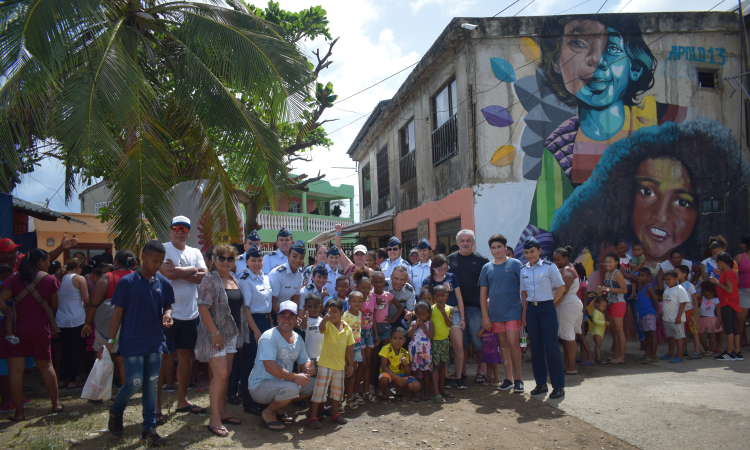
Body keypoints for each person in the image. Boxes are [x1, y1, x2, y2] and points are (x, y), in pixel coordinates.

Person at [106, 241, 174, 446]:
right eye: (154, 261)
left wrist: (168, 315)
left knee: (152, 385)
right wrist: (110, 340)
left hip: (155, 342)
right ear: (142, 256)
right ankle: (116, 409)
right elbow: (117, 312)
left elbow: (168, 306)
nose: (157, 265)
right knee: (134, 383)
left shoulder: (163, 282)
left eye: (161, 262)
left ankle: (148, 429)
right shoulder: (127, 282)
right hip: (132, 341)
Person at [0, 249, 64, 420]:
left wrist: (10, 312)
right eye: (47, 261)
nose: (48, 264)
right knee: (46, 366)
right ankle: (56, 404)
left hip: (15, 330)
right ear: (40, 262)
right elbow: (53, 305)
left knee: (15, 371)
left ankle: (19, 413)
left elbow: (2, 300)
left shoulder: (13, 278)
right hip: (39, 329)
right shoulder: (50, 280)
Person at [195, 244, 250, 437]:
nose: (226, 261)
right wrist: (215, 333)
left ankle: (222, 411)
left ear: (234, 261)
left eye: (230, 258)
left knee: (225, 376)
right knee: (220, 375)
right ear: (214, 260)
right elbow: (203, 308)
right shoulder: (210, 280)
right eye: (221, 258)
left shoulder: (233, 279)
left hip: (231, 336)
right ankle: (214, 419)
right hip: (214, 336)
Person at [156, 216, 207, 418]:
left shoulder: (195, 252)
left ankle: (182, 401)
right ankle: (156, 405)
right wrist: (192, 270)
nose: (180, 231)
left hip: (190, 314)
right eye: (176, 227)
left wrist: (178, 271)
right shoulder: (163, 249)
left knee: (186, 357)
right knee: (161, 358)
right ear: (170, 230)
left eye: (184, 228)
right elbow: (165, 273)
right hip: (166, 313)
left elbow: (204, 275)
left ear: (189, 232)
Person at [248, 301, 315, 432]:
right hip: (260, 385)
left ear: (297, 320)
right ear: (277, 318)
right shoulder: (268, 337)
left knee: (313, 385)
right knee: (292, 387)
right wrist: (295, 377)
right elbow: (270, 367)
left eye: (291, 316)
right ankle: (268, 413)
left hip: (283, 383)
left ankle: (279, 407)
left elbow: (304, 360)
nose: (286, 319)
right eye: (282, 315)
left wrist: (308, 368)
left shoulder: (298, 338)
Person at [520, 237, 566, 399]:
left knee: (552, 348)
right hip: (532, 311)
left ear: (540, 251)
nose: (529, 255)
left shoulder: (549, 267)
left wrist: (551, 304)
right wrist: (524, 315)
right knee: (536, 349)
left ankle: (559, 386)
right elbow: (524, 294)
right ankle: (541, 384)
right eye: (526, 252)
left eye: (532, 251)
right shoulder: (523, 270)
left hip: (547, 308)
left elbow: (561, 287)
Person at [479, 234, 524, 393]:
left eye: (499, 247)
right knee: (503, 346)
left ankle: (519, 379)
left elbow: (523, 290)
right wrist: (485, 315)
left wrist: (524, 313)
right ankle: (509, 379)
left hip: (513, 311)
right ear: (490, 250)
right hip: (495, 313)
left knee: (513, 343)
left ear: (505, 247)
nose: (496, 250)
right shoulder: (487, 268)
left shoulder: (516, 264)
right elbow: (483, 294)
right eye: (493, 247)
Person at [447, 230, 490, 386]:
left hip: (476, 307)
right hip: (456, 310)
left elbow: (488, 284)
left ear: (473, 242)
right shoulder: (449, 260)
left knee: (478, 343)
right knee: (461, 344)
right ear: (458, 242)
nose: (465, 243)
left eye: (468, 240)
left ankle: (481, 371)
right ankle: (462, 371)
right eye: (462, 240)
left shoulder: (482, 261)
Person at [236, 244, 273, 415]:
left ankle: (261, 397)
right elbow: (245, 309)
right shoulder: (245, 279)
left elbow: (268, 305)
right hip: (253, 324)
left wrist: (271, 326)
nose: (257, 264)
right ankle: (248, 401)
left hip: (266, 322)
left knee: (264, 363)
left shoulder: (264, 277)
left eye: (259, 260)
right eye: (253, 260)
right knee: (250, 363)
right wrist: (256, 331)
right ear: (247, 262)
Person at [308, 297, 353, 429]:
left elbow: (350, 347)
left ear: (342, 312)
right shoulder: (326, 324)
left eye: (334, 311)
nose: (331, 314)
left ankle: (334, 414)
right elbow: (321, 328)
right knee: (319, 392)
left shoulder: (347, 329)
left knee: (337, 393)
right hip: (325, 365)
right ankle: (312, 416)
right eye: (328, 311)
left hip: (339, 366)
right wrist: (325, 318)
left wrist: (350, 364)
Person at [423, 254, 466, 389]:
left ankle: (458, 377)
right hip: (435, 315)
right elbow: (425, 301)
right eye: (440, 268)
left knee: (458, 346)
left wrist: (463, 318)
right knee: (442, 348)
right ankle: (445, 377)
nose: (443, 271)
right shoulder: (427, 281)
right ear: (433, 268)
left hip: (454, 312)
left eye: (445, 268)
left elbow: (459, 298)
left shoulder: (452, 277)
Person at [54, 258, 89, 389]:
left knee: (65, 350)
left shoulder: (58, 278)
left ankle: (62, 379)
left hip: (61, 319)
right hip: (77, 318)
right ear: (78, 268)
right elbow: (86, 300)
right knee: (76, 350)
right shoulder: (79, 279)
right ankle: (72, 380)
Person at [552, 246, 583, 375]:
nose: (556, 262)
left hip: (567, 305)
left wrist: (552, 307)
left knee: (569, 337)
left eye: (558, 260)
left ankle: (571, 367)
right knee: (567, 336)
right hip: (568, 305)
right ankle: (567, 365)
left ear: (566, 258)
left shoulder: (566, 271)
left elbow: (563, 292)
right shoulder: (567, 268)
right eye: (554, 260)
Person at [596, 253, 628, 364]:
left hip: (618, 304)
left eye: (610, 262)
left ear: (616, 262)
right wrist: (603, 290)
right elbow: (608, 289)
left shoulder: (617, 273)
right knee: (613, 331)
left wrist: (608, 289)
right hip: (609, 304)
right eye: (606, 262)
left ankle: (622, 357)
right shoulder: (607, 274)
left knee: (619, 331)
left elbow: (624, 290)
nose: (607, 264)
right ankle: (616, 355)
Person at [711, 252, 742, 361]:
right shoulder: (730, 271)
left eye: (717, 263)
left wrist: (716, 282)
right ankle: (737, 351)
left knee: (728, 327)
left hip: (727, 302)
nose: (717, 266)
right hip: (732, 302)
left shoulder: (728, 273)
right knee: (733, 326)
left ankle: (729, 352)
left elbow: (729, 289)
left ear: (721, 262)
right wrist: (720, 275)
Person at [378, 327, 420, 404]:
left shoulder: (405, 353)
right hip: (389, 375)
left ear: (404, 341)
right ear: (390, 339)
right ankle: (385, 395)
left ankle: (399, 391)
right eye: (395, 338)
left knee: (416, 386)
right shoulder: (386, 349)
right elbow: (384, 367)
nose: (397, 341)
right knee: (383, 378)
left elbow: (407, 373)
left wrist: (405, 364)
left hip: (400, 376)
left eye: (400, 338)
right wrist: (398, 378)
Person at [614, 239, 644, 345]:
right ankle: (616, 343)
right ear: (616, 248)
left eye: (624, 247)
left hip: (633, 289)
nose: (623, 249)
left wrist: (635, 279)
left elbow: (638, 270)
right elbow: (621, 273)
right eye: (620, 247)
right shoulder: (614, 260)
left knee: (637, 315)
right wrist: (633, 278)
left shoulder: (631, 259)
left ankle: (642, 341)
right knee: (620, 317)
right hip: (622, 289)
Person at [428, 285, 453, 403]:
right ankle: (436, 391)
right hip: (434, 342)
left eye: (443, 295)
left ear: (447, 296)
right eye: (437, 296)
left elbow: (449, 324)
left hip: (445, 341)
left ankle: (442, 389)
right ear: (434, 297)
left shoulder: (450, 309)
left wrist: (443, 312)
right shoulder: (431, 309)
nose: (440, 298)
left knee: (443, 365)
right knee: (435, 367)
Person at [268, 240, 306, 315]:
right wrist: (285, 318)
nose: (298, 260)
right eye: (294, 256)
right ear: (288, 256)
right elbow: (273, 303)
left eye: (301, 257)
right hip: (274, 314)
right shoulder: (278, 273)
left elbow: (295, 299)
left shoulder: (299, 274)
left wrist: (294, 317)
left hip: (288, 313)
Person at [659, 271, 689, 364]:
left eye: (669, 279)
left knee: (678, 337)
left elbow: (682, 303)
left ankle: (680, 356)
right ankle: (670, 353)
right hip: (667, 318)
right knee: (670, 336)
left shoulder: (680, 289)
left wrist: (679, 317)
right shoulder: (667, 289)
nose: (667, 281)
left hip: (676, 319)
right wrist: (662, 315)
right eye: (665, 279)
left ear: (676, 279)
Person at [357, 274, 379, 401]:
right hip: (358, 334)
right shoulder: (355, 299)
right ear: (357, 287)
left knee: (369, 363)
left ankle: (366, 391)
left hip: (369, 332)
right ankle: (357, 391)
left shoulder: (372, 298)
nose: (365, 290)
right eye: (362, 288)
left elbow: (374, 317)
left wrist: (376, 334)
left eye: (367, 288)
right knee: (362, 363)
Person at [407, 300, 433, 401]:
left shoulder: (430, 324)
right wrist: (416, 326)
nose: (421, 316)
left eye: (424, 314)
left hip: (425, 352)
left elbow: (431, 336)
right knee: (414, 372)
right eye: (418, 314)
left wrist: (423, 327)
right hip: (414, 352)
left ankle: (427, 392)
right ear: (415, 313)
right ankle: (414, 394)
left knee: (426, 372)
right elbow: (409, 335)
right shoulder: (413, 323)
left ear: (428, 314)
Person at [343, 290, 364, 407]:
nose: (357, 303)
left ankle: (350, 397)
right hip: (347, 347)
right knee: (346, 372)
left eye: (359, 301)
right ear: (349, 302)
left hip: (357, 345)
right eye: (354, 301)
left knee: (353, 371)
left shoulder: (360, 314)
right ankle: (343, 397)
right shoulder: (345, 316)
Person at [675, 265, 700, 359]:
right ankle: (683, 351)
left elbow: (695, 300)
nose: (675, 275)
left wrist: (696, 314)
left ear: (684, 274)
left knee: (694, 332)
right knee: (683, 332)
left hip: (690, 311)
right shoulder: (675, 285)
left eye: (677, 273)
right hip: (680, 312)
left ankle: (697, 352)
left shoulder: (690, 285)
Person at [635, 269, 659, 363]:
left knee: (652, 334)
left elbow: (655, 301)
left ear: (648, 277)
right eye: (639, 275)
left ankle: (653, 356)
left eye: (642, 276)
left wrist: (657, 314)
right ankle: (647, 354)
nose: (640, 277)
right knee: (647, 334)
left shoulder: (649, 287)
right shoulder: (640, 287)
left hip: (649, 314)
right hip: (642, 314)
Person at [300, 293, 324, 372]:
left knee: (320, 378)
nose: (312, 309)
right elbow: (303, 327)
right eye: (309, 307)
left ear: (320, 307)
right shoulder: (305, 320)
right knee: (310, 378)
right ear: (304, 307)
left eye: (315, 306)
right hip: (309, 356)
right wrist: (304, 320)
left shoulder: (322, 320)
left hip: (322, 356)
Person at [698, 282, 722, 356]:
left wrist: (719, 321)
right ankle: (706, 349)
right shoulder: (703, 298)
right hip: (701, 318)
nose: (708, 296)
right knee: (699, 335)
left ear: (713, 293)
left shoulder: (716, 300)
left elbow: (718, 312)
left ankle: (710, 350)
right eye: (706, 295)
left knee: (711, 335)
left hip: (711, 319)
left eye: (710, 295)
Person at [734, 233, 750, 347]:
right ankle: (737, 345)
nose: (741, 245)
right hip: (743, 292)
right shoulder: (739, 257)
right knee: (740, 318)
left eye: (744, 243)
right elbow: (732, 275)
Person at [591, 297, 609, 364]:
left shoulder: (600, 312)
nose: (604, 308)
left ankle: (597, 357)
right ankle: (598, 359)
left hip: (600, 332)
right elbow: (595, 321)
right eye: (603, 306)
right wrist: (604, 323)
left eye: (605, 306)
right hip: (596, 332)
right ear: (597, 304)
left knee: (598, 345)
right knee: (597, 345)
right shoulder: (596, 312)